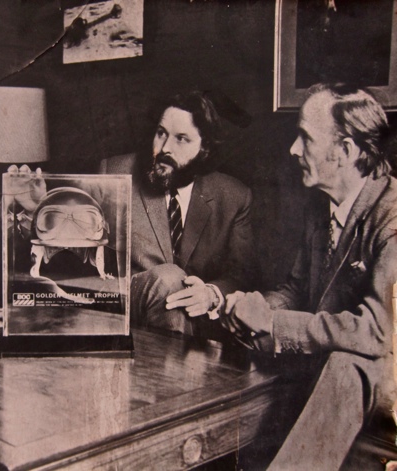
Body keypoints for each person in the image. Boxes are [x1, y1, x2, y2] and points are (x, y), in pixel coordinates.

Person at [223, 83, 397, 469]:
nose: (293, 149)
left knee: (345, 367)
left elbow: (377, 332)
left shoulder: (393, 217)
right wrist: (253, 307)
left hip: (383, 371)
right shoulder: (321, 208)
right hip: (332, 363)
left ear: (346, 151)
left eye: (305, 138)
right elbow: (297, 289)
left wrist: (274, 324)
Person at [100, 89, 258, 337]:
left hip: (199, 326)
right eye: (161, 133)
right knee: (169, 278)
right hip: (127, 312)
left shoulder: (233, 196)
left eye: (181, 139)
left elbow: (242, 275)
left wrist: (211, 294)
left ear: (205, 148)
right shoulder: (115, 173)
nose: (164, 148)